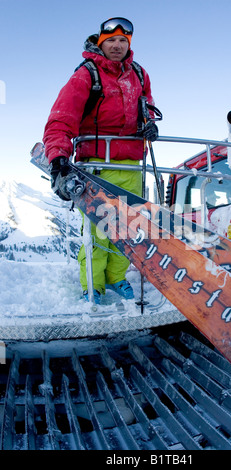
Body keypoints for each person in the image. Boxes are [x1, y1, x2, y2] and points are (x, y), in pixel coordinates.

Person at [43, 17, 158, 304]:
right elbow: (61, 119)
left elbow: (147, 108)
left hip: (130, 166)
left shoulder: (139, 76)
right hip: (96, 165)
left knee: (127, 228)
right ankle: (93, 285)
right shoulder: (87, 74)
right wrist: (58, 158)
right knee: (99, 229)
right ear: (101, 42)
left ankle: (116, 277)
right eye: (111, 41)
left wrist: (149, 123)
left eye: (123, 41)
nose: (117, 46)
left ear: (128, 44)